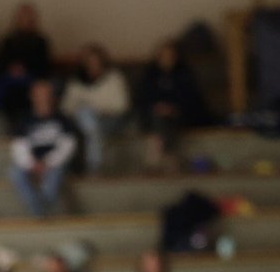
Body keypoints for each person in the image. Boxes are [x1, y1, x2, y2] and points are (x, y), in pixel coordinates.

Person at [10, 79, 79, 219]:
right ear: (33, 97)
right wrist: (32, 164)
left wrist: (47, 163)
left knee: (55, 175)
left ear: (52, 97)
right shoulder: (25, 121)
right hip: (32, 163)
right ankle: (40, 212)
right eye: (39, 95)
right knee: (15, 173)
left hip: (55, 164)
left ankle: (41, 213)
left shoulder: (63, 120)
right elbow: (18, 147)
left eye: (46, 94)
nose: (43, 98)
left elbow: (68, 147)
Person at [133, 41, 208, 170]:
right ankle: (169, 157)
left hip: (181, 114)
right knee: (160, 119)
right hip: (155, 115)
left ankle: (157, 157)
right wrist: (158, 107)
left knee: (165, 121)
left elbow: (193, 100)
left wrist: (173, 108)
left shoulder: (185, 74)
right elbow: (143, 99)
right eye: (164, 56)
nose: (167, 59)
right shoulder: (150, 75)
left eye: (170, 56)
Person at [62, 44, 131, 175]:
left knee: (91, 123)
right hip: (81, 120)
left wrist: (95, 107)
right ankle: (94, 168)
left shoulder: (114, 78)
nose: (93, 65)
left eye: (96, 61)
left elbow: (121, 105)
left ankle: (93, 168)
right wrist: (86, 108)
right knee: (87, 116)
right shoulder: (76, 81)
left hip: (110, 119)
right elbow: (66, 107)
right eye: (89, 61)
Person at [0, 2, 52, 133]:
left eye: (29, 17)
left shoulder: (41, 42)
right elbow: (0, 63)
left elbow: (45, 67)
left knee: (38, 90)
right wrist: (13, 70)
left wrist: (26, 71)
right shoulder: (8, 41)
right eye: (23, 16)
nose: (26, 20)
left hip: (32, 80)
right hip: (11, 81)